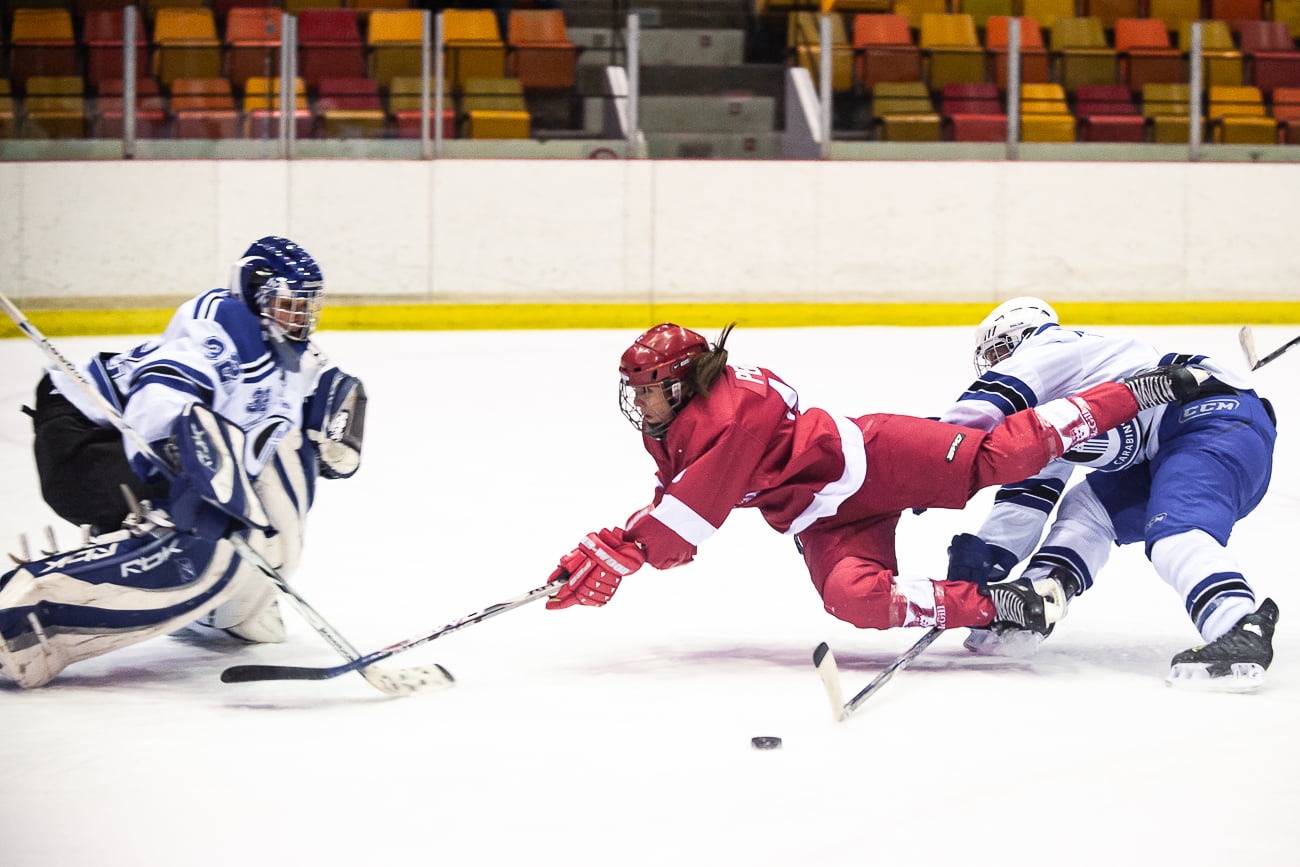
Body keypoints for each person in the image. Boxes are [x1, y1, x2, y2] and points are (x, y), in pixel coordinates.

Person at [541, 322, 1207, 641]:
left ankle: (1129, 392)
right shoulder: (678, 420)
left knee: (995, 459)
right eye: (637, 390)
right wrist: (613, 546)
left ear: (685, 380)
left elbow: (692, 516)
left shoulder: (730, 412)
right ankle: (1005, 604)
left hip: (874, 455)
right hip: (826, 516)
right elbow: (680, 499)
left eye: (651, 389)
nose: (642, 403)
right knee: (852, 600)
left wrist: (622, 550)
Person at [0, 236, 366, 688]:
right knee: (201, 536)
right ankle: (29, 614)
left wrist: (334, 411)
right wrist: (184, 459)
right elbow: (161, 393)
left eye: (308, 308)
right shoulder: (221, 328)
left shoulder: (288, 357)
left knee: (276, 472)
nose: (302, 319)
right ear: (255, 295)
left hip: (137, 440)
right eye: (289, 305)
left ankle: (232, 608)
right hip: (84, 432)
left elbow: (315, 406)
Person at [936, 297, 1278, 689]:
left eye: (997, 352)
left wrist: (929, 463)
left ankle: (1239, 624)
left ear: (1020, 338)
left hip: (1214, 421)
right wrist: (988, 557)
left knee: (1174, 533)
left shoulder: (1053, 349)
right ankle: (1033, 606)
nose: (996, 363)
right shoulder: (1049, 412)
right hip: (1167, 449)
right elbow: (1027, 497)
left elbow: (980, 408)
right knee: (1085, 511)